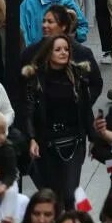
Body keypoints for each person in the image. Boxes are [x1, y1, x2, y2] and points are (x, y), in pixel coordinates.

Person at [22, 35, 97, 208]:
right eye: (58, 49)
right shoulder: (36, 78)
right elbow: (29, 110)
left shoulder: (78, 76)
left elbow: (86, 110)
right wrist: (32, 138)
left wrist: (94, 139)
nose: (63, 52)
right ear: (48, 53)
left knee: (70, 193)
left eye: (66, 49)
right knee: (52, 196)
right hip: (46, 142)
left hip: (74, 140)